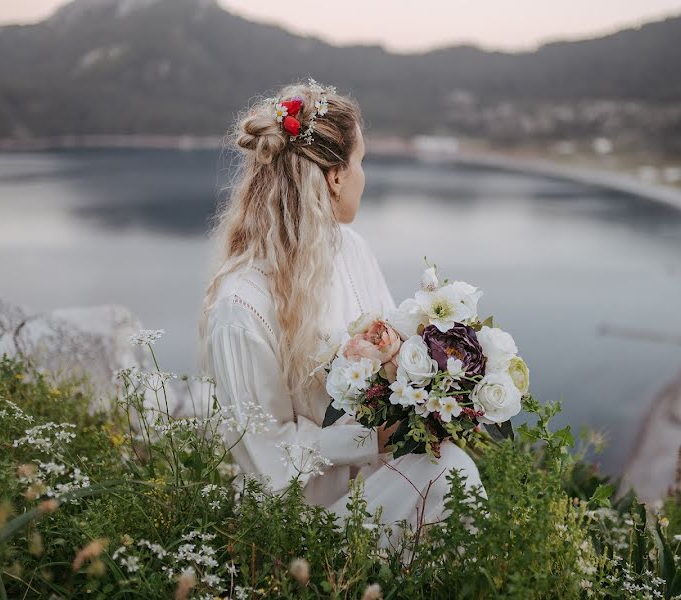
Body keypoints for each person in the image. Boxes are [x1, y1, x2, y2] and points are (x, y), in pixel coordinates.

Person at [199, 78, 485, 551]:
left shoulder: (352, 250)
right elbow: (265, 456)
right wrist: (373, 439)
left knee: (451, 466)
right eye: (361, 162)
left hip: (374, 478)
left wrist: (437, 390)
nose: (363, 177)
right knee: (451, 475)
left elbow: (394, 351)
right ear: (334, 177)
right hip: (301, 520)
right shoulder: (241, 305)